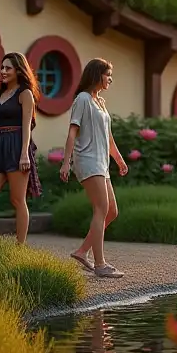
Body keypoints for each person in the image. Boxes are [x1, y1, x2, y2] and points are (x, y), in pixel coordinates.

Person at [59, 58, 128, 278]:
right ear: (96, 74)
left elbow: (108, 137)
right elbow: (72, 133)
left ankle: (82, 251)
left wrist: (118, 159)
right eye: (107, 74)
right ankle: (100, 264)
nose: (110, 79)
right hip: (87, 160)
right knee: (101, 209)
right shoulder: (82, 99)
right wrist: (66, 162)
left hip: (102, 162)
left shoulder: (101, 103)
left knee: (112, 211)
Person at [0, 52, 42, 245]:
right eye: (2, 67)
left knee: (18, 201)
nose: (3, 71)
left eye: (8, 68)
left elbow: (27, 127)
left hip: (17, 146)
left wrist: (24, 154)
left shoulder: (25, 94)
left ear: (18, 70)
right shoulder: (2, 92)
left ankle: (19, 247)